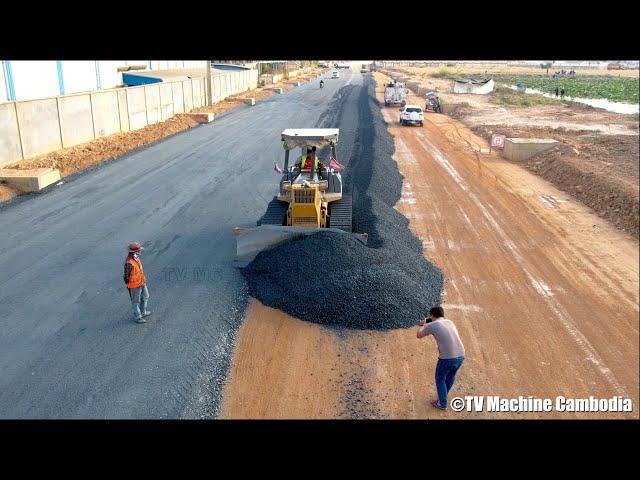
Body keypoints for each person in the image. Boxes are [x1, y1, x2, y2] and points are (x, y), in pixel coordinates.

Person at [416, 306, 465, 410]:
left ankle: (442, 404)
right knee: (450, 376)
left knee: (440, 379)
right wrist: (426, 321)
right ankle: (443, 397)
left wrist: (422, 325)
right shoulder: (449, 322)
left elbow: (419, 335)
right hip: (461, 355)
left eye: (430, 316)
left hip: (447, 358)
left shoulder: (433, 325)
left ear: (432, 315)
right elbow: (434, 320)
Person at [124, 242, 151, 324]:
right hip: (135, 286)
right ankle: (138, 317)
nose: (140, 252)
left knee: (146, 296)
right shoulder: (129, 263)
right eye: (139, 251)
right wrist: (129, 285)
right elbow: (126, 276)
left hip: (142, 282)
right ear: (134, 252)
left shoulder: (136, 258)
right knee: (136, 301)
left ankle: (143, 311)